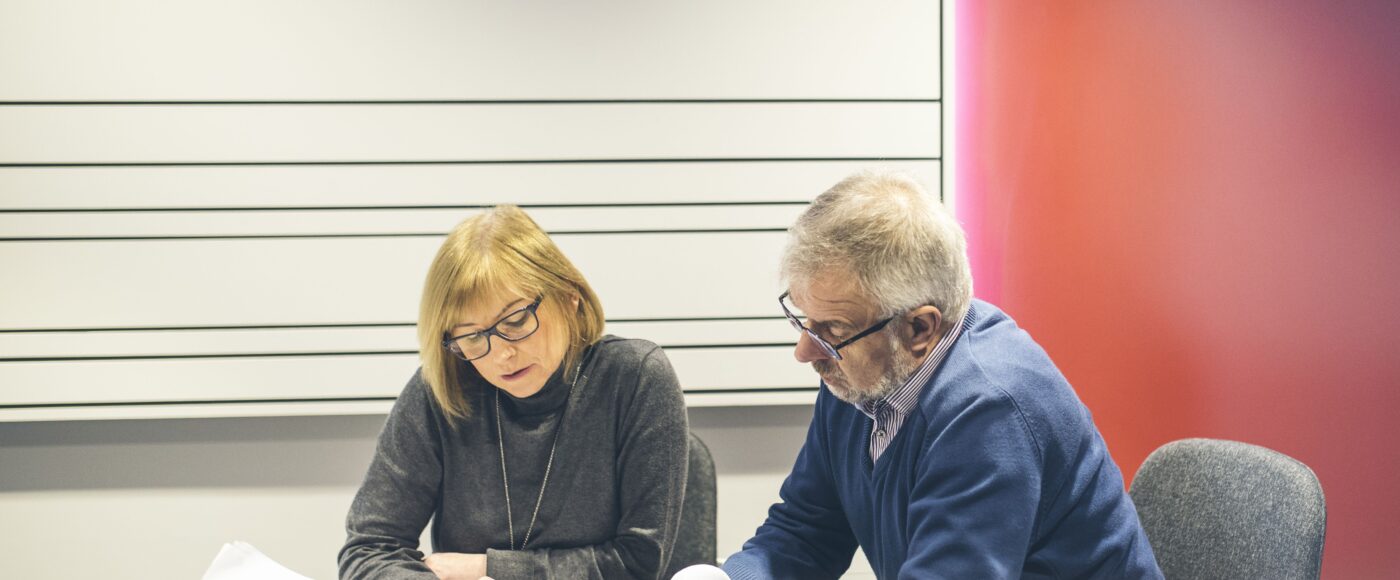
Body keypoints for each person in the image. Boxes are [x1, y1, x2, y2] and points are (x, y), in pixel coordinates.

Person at [719, 171, 1162, 579]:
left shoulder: (989, 410)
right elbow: (804, 533)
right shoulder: (859, 374)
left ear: (919, 329)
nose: (804, 351)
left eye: (832, 329)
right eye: (804, 320)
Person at [339, 205, 689, 580]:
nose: (502, 353)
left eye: (517, 320)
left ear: (569, 297)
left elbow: (636, 564)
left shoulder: (634, 377)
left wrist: (485, 568)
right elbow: (368, 550)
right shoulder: (441, 388)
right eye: (473, 336)